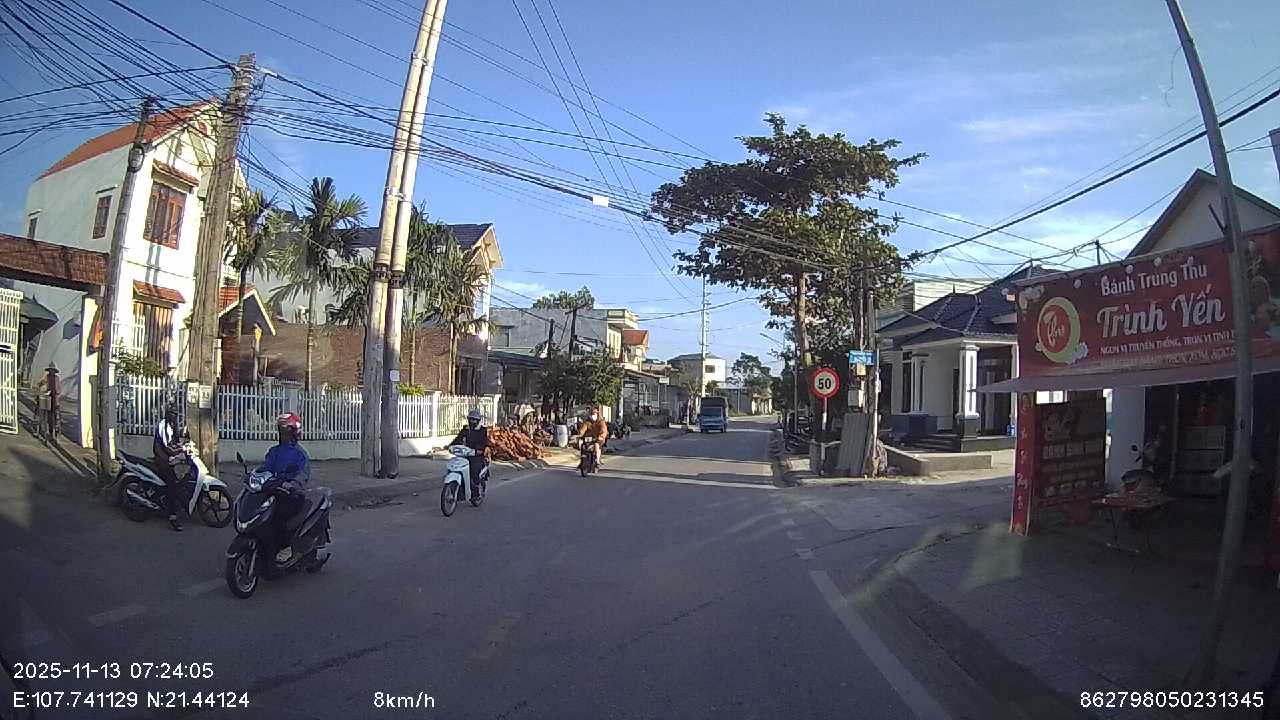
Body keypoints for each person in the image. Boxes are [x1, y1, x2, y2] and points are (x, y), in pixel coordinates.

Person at [259, 412, 310, 563]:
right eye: (282, 432)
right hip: (274, 490)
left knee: (276, 516)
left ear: (294, 433)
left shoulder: (300, 454)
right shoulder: (274, 451)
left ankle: (285, 547)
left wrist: (292, 484)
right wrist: (254, 476)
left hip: (292, 494)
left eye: (287, 432)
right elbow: (265, 467)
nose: (284, 436)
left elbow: (302, 475)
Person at [152, 405, 186, 532]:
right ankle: (172, 516)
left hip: (169, 459)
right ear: (167, 414)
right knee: (172, 485)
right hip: (162, 459)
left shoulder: (172, 426)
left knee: (178, 480)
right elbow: (167, 447)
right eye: (172, 413)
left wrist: (184, 445)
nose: (174, 416)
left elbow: (175, 442)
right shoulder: (163, 425)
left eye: (176, 414)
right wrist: (180, 450)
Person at [450, 409, 489, 501]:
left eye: (474, 420)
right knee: (456, 467)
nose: (472, 421)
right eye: (471, 419)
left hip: (477, 456)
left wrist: (480, 450)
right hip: (465, 454)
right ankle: (459, 493)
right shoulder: (466, 429)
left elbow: (484, 442)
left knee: (474, 472)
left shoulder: (482, 430)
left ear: (478, 420)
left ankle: (475, 494)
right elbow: (458, 438)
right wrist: (451, 445)